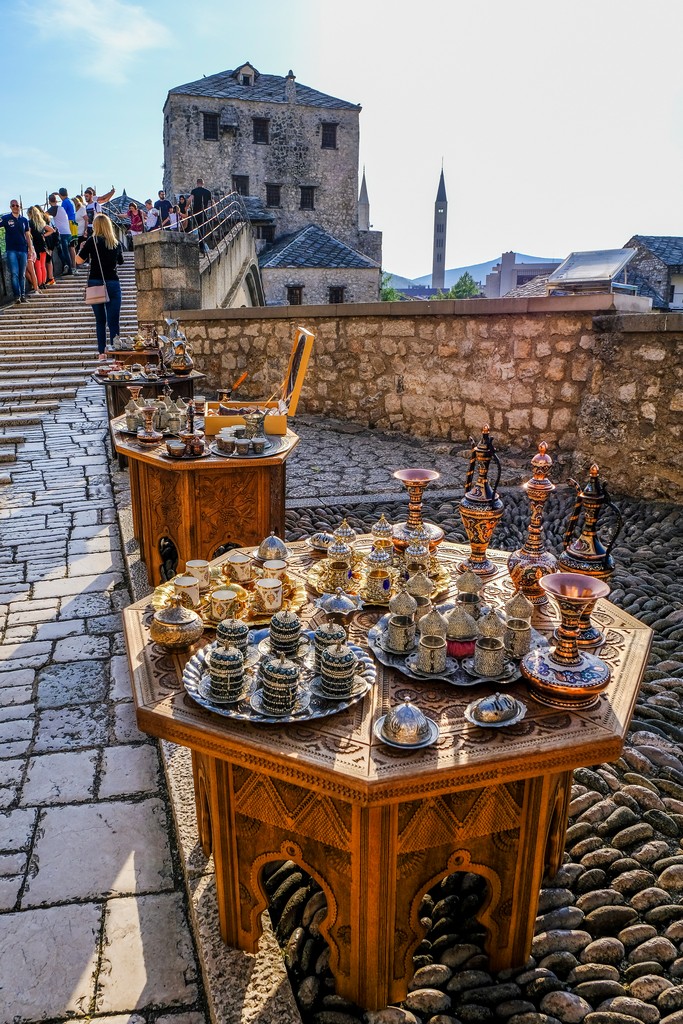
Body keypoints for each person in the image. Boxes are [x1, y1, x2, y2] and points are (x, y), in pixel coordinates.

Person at [75, 213, 123, 360]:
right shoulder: (115, 243)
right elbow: (120, 261)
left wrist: (81, 248)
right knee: (113, 321)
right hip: (113, 283)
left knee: (100, 320)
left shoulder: (92, 241)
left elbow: (78, 261)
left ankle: (102, 353)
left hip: (95, 282)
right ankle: (115, 352)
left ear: (95, 226)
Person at [0, 200, 33, 302]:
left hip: (22, 249)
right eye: (13, 205)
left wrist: (30, 248)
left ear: (20, 207)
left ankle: (23, 295)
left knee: (22, 274)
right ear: (10, 207)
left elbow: (27, 235)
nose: (15, 207)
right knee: (14, 273)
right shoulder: (6, 218)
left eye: (17, 205)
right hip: (11, 250)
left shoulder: (24, 220)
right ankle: (17, 296)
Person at [47, 192, 73, 274]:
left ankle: (68, 268)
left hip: (62, 233)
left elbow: (43, 215)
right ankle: (68, 268)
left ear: (49, 202)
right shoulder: (61, 208)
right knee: (65, 251)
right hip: (68, 232)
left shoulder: (53, 208)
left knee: (63, 252)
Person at [27, 206, 52, 289]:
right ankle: (44, 282)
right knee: (42, 265)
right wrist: (43, 235)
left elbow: (28, 234)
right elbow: (52, 230)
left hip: (36, 245)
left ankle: (40, 283)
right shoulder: (41, 222)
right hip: (43, 245)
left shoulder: (30, 222)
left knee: (37, 266)